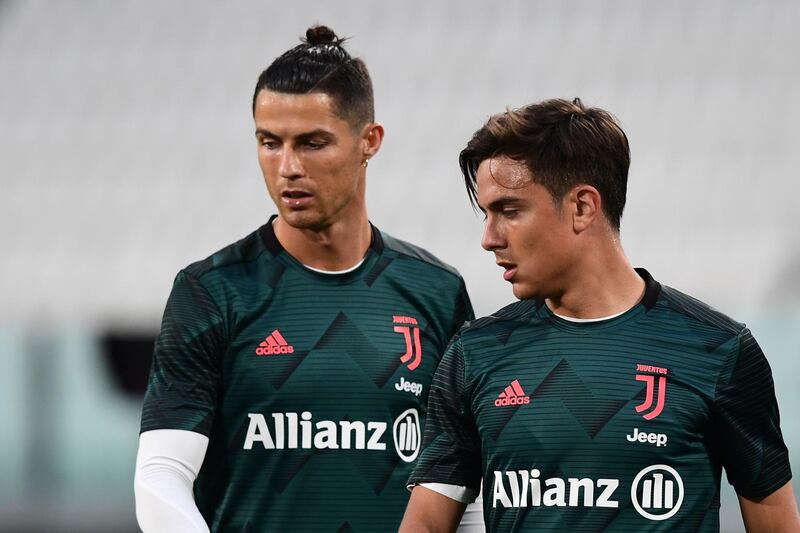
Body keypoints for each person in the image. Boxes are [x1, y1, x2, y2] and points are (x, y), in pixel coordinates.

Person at [400, 98, 800, 532]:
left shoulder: (719, 351)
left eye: (509, 211)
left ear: (583, 207)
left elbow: (776, 525)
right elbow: (424, 525)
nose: (488, 238)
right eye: (486, 214)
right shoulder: (474, 354)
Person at [134, 25, 475, 532]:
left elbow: (463, 494)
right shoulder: (212, 292)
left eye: (312, 143)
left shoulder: (436, 293)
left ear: (369, 142)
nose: (287, 167)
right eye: (269, 143)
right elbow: (161, 474)